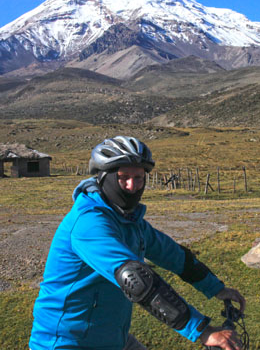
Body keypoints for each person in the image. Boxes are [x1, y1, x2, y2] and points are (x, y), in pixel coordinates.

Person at [29, 136, 246, 350]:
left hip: (111, 337)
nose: (132, 186)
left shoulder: (129, 221)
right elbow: (135, 279)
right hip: (65, 342)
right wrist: (202, 330)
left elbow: (174, 255)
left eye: (139, 177)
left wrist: (216, 288)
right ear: (104, 178)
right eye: (124, 177)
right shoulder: (89, 223)